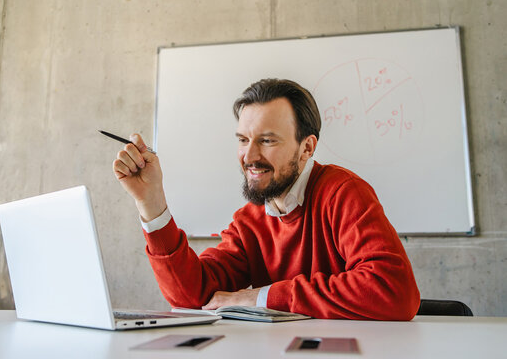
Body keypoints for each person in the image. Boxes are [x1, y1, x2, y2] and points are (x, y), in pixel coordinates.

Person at [113, 78, 421, 320]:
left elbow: (394, 291)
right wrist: (151, 201)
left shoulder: (343, 193)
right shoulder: (249, 221)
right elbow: (193, 295)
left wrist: (260, 297)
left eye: (267, 140)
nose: (249, 156)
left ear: (307, 148)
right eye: (244, 140)